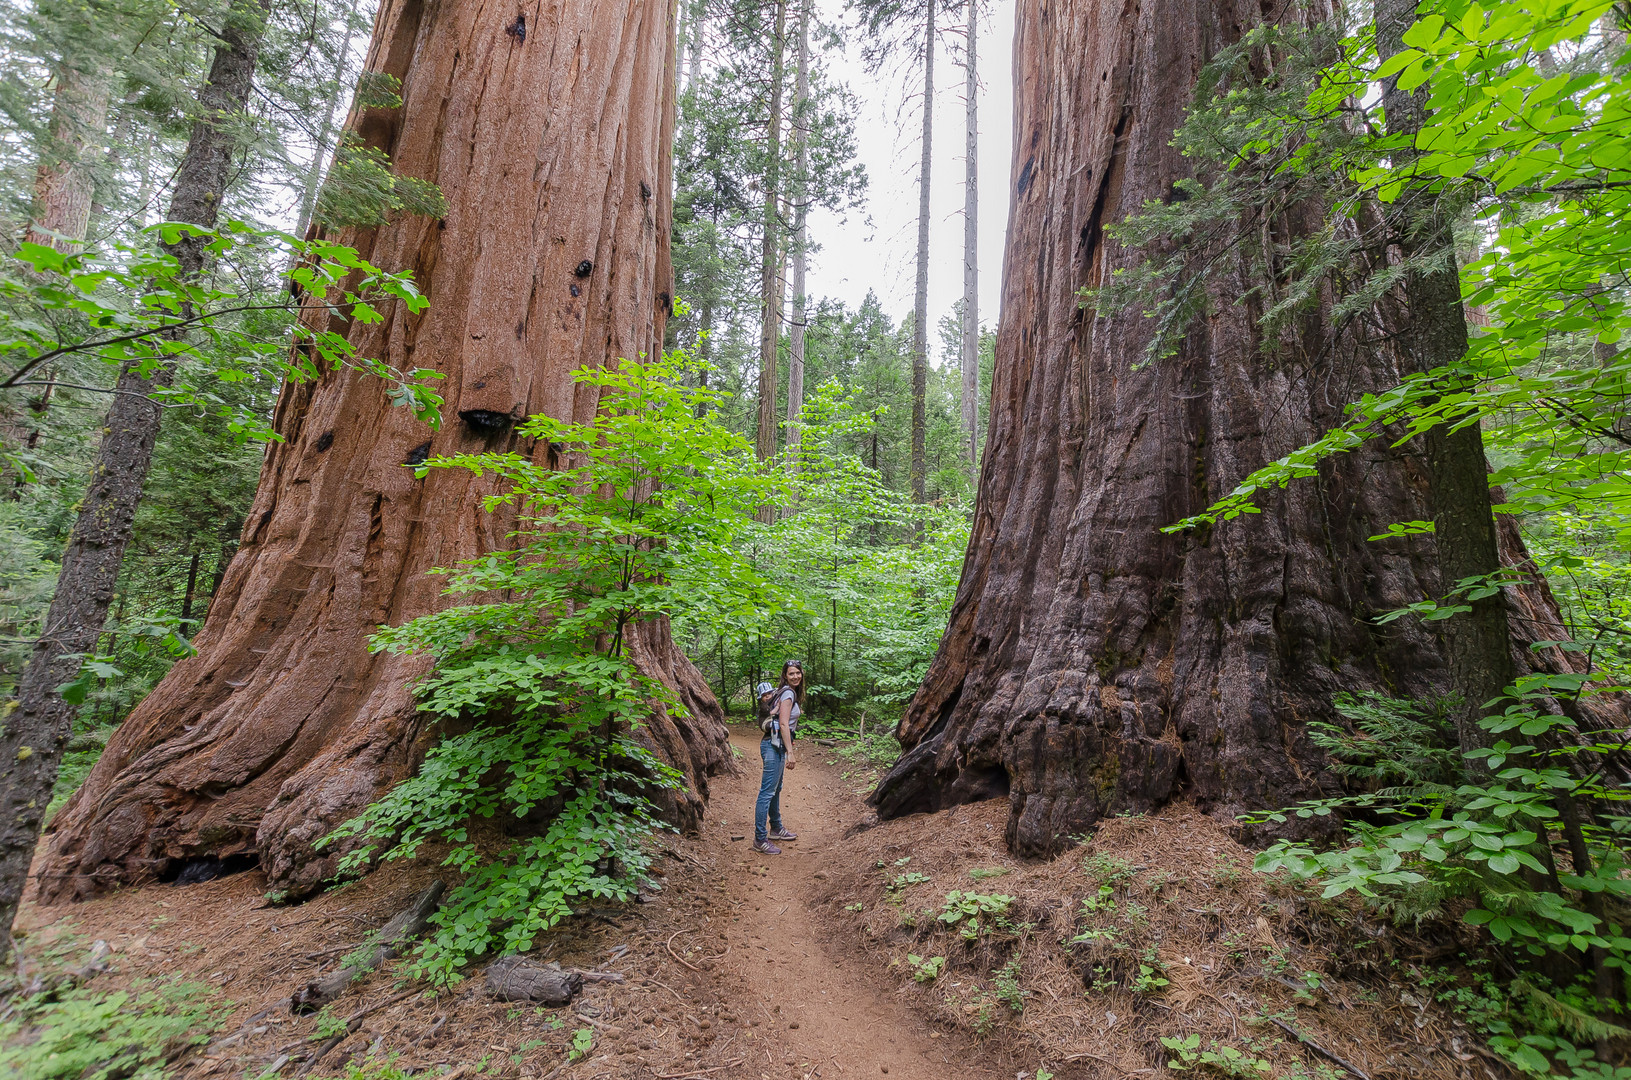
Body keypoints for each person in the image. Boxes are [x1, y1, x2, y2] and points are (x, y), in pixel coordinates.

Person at [754, 661, 804, 854]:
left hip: (776, 745)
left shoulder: (784, 691)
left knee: (775, 789)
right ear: (785, 675)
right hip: (774, 746)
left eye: (797, 673)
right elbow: (783, 724)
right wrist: (790, 752)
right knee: (767, 792)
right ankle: (760, 839)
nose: (795, 677)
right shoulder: (788, 693)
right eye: (791, 673)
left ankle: (776, 828)